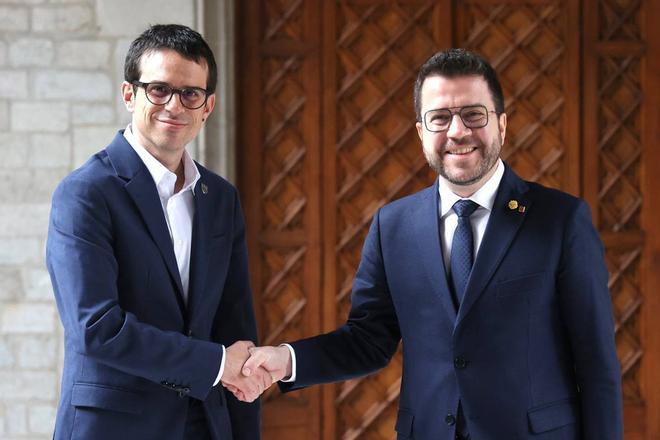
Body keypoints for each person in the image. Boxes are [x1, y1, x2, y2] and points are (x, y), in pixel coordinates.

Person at [229, 49, 623, 439]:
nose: (457, 131)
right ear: (421, 132)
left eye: (474, 114)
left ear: (502, 125)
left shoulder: (561, 219)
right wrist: (286, 360)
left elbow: (596, 363)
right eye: (440, 118)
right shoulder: (393, 226)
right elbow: (368, 340)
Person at [46, 24, 269, 440]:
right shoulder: (85, 193)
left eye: (190, 94)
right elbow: (97, 329)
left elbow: (235, 326)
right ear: (129, 95)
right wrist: (217, 364)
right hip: (114, 427)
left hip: (206, 425)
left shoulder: (220, 198)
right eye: (159, 89)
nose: (174, 105)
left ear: (208, 106)